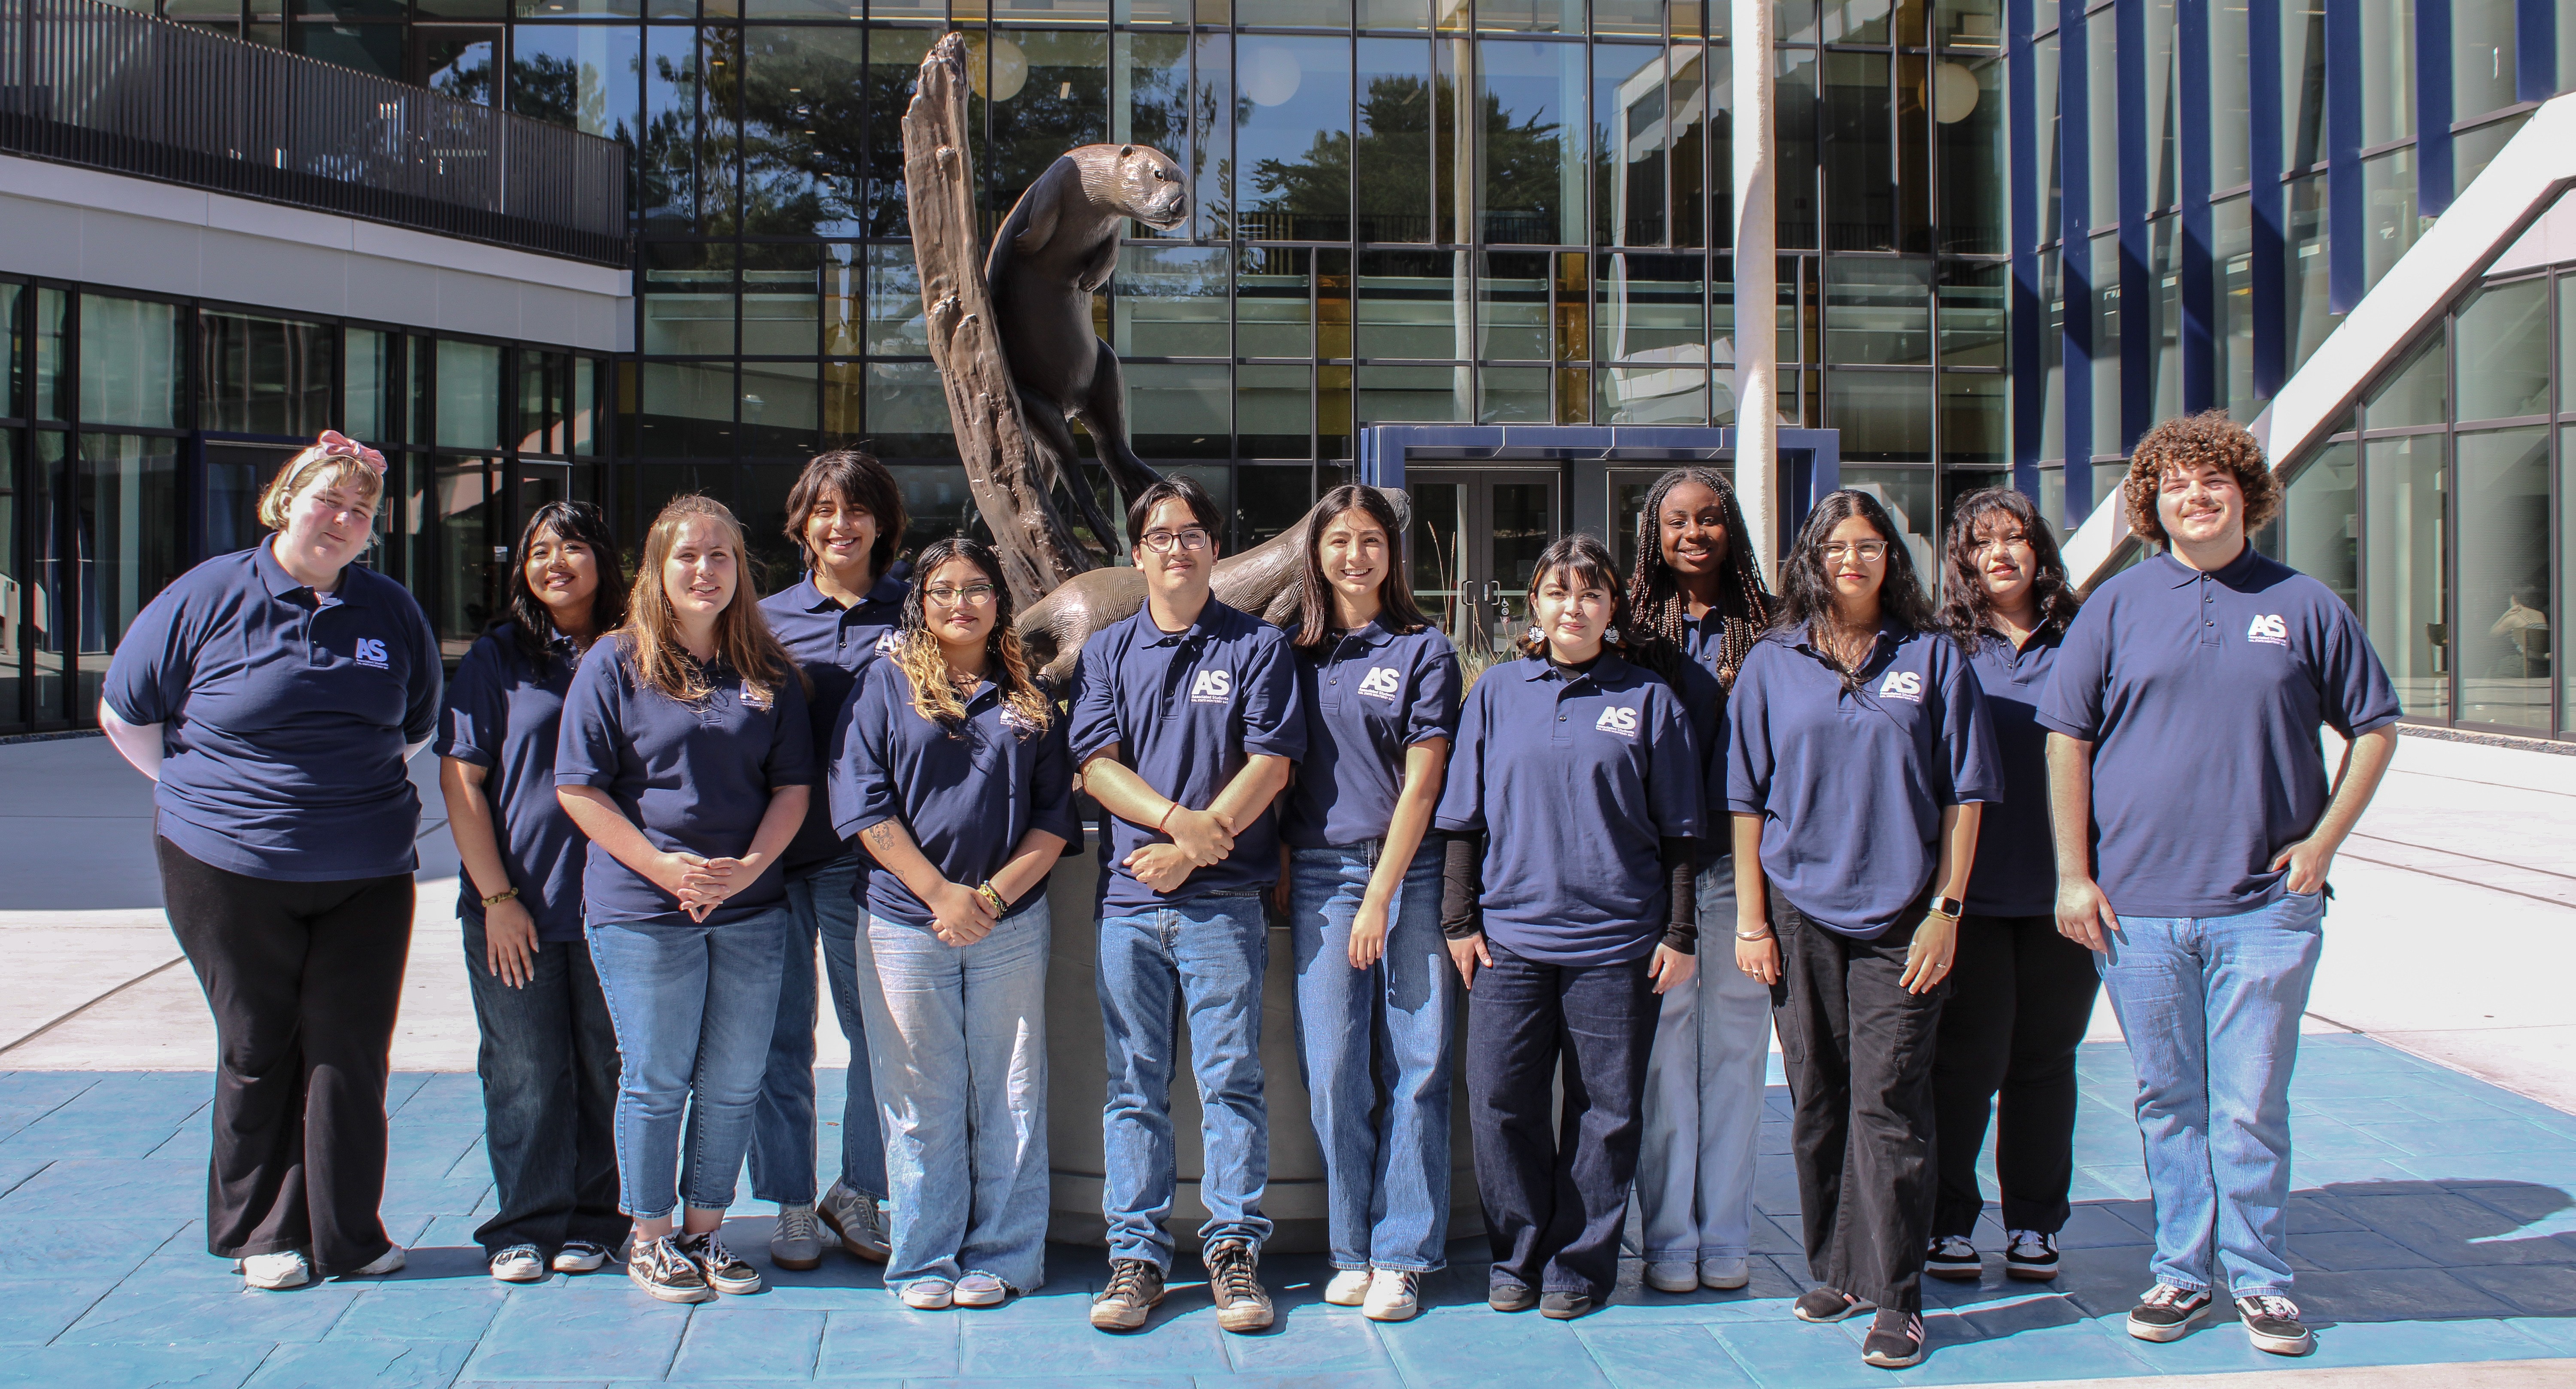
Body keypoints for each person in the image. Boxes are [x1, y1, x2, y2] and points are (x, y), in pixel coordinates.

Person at [2041, 412, 2400, 1357]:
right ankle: (2179, 1272)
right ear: (2151, 505)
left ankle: (2262, 1278)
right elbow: (2066, 740)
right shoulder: (2116, 606)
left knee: (2249, 1101)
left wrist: (2323, 844)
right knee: (2169, 1097)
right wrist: (2074, 874)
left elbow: (2374, 727)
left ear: (2247, 493)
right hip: (2139, 907)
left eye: (2212, 483)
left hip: (2264, 910)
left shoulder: (2305, 602)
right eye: (2173, 486)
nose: (2193, 499)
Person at [99, 430, 438, 1291]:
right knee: (258, 1043)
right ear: (287, 499)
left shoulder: (390, 610)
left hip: (368, 869)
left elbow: (416, 725)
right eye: (328, 500)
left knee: (351, 1051)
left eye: (360, 511)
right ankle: (262, 1234)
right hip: (226, 869)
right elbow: (126, 713)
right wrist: (207, 799)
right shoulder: (207, 595)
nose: (341, 520)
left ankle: (349, 1236)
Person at [1726, 488, 1999, 1369]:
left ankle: (1898, 1295)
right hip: (1801, 912)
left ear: (1893, 557)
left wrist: (1946, 911)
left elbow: (1967, 792)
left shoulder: (1932, 657)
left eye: (1871, 545)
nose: (1853, 559)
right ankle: (1838, 1268)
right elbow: (1745, 798)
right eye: (1837, 546)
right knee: (1818, 1095)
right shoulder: (1774, 661)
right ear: (1813, 556)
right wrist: (1752, 917)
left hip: (1902, 915)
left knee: (1890, 1100)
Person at [555, 495, 816, 1305]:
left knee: (736, 1077)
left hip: (750, 907)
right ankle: (651, 1236)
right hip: (643, 908)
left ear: (742, 570)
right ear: (657, 571)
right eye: (687, 557)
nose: (705, 571)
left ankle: (707, 1234)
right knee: (658, 1076)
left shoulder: (767, 671)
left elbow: (794, 788)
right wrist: (665, 870)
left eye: (721, 557)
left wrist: (748, 866)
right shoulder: (614, 662)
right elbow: (579, 788)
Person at [1435, 533, 1703, 1322]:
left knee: (1606, 1112)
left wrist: (1680, 932)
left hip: (1618, 944)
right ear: (1536, 608)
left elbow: (1682, 832)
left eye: (1590, 594)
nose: (1573, 608)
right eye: (1557, 593)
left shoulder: (1650, 701)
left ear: (1612, 607)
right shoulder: (1498, 692)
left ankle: (1580, 1265)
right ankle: (1517, 1255)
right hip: (1511, 940)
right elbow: (1463, 819)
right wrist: (1459, 918)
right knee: (1499, 1099)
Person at [1071, 476, 1305, 1335]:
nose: (1178, 546)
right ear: (1137, 554)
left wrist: (1198, 847)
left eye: (1194, 532)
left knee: (1230, 1082)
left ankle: (1233, 1249)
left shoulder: (1255, 646)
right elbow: (1095, 763)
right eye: (1161, 535)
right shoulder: (1107, 651)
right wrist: (1180, 827)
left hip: (1224, 907)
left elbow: (1272, 763)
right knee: (1133, 1086)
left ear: (1216, 547)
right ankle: (1135, 1256)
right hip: (1130, 906)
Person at [832, 538, 1076, 1310]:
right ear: (921, 603)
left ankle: (1006, 1257)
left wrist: (991, 901)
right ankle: (922, 1258)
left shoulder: (1030, 697)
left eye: (976, 589)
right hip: (906, 922)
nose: (960, 603)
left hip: (1009, 924)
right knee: (919, 1092)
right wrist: (941, 895)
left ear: (1000, 601)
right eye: (942, 591)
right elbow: (864, 805)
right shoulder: (885, 685)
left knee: (1010, 1090)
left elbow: (1051, 822)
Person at [1273, 485, 1461, 1324]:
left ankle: (1404, 1253)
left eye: (1371, 541)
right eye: (1339, 541)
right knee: (1335, 1070)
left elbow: (1424, 785)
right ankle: (1352, 1245)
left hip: (1407, 873)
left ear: (1394, 553)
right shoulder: (1292, 652)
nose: (1355, 555)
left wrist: (1380, 894)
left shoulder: (1424, 649)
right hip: (1318, 877)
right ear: (1316, 554)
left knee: (1417, 1066)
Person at [437, 501, 631, 1284]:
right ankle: (524, 1222)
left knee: (604, 1068)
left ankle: (594, 1219)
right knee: (522, 1069)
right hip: (517, 905)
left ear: (603, 560)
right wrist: (496, 898)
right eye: (539, 549)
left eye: (574, 546)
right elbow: (462, 782)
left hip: (618, 906)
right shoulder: (499, 658)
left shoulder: (636, 650)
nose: (556, 562)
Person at [1923, 486, 2094, 1286]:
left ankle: (2033, 1221)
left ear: (2040, 551)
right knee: (1965, 1064)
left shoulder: (2086, 637)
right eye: (1983, 543)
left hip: (2065, 894)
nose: (2001, 554)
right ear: (1961, 558)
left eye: (2016, 539)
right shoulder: (1941, 646)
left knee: (2045, 1062)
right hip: (1973, 898)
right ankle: (1948, 1221)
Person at [1619, 465, 1777, 1296]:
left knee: (1737, 1061)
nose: (1693, 534)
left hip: (1741, 875)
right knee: (1666, 1065)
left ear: (1731, 528)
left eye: (1709, 519)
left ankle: (1727, 1238)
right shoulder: (1630, 627)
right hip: (1654, 879)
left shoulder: (1776, 628)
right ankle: (1669, 1241)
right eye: (1676, 521)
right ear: (1654, 531)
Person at [750, 450, 908, 1270]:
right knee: (780, 1039)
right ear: (802, 523)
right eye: (823, 511)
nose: (838, 526)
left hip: (867, 862)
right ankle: (787, 1202)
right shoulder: (765, 619)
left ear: (881, 522)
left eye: (855, 510)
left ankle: (858, 1190)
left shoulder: (914, 614)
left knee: (875, 1034)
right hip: (772, 863)